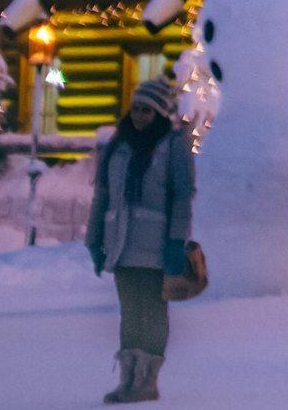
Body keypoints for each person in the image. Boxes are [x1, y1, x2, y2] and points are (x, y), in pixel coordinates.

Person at [85, 75, 197, 403]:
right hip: (120, 244)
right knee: (129, 312)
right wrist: (94, 240)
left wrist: (176, 241)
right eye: (136, 109)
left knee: (151, 312)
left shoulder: (173, 145)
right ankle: (128, 379)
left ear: (161, 113)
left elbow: (182, 196)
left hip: (156, 247)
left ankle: (147, 380)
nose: (140, 115)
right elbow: (102, 194)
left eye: (147, 110)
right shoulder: (117, 145)